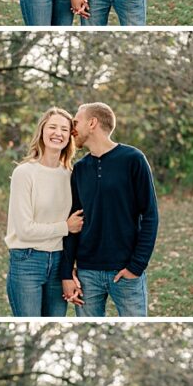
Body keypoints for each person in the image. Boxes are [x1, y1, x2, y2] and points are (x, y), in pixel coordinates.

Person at [60, 102, 158, 317]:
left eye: (76, 122)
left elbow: (150, 215)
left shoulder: (133, 159)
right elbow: (73, 222)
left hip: (125, 272)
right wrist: (67, 273)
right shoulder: (80, 169)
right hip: (87, 274)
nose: (72, 128)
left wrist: (136, 267)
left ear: (92, 123)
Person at [5, 107, 85, 316]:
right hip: (27, 262)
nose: (57, 133)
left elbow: (77, 228)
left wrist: (70, 268)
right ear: (42, 131)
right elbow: (24, 230)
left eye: (64, 130)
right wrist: (65, 227)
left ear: (70, 137)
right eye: (52, 127)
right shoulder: (24, 173)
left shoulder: (70, 175)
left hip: (60, 263)